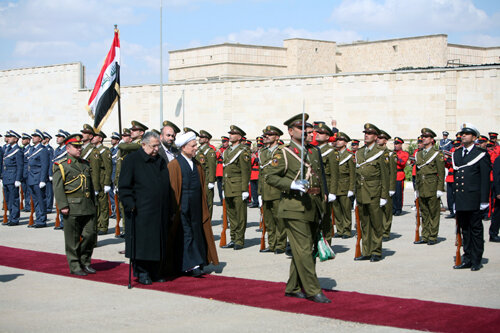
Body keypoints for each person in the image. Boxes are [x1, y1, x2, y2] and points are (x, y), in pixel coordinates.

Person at [265, 113, 330, 303]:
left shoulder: (312, 151)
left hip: (312, 204)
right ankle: (312, 289)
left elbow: (320, 177)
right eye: (300, 129)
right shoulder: (284, 153)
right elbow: (269, 176)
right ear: (290, 131)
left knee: (305, 249)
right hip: (293, 207)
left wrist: (324, 198)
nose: (305, 132)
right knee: (303, 249)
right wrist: (291, 185)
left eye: (306, 129)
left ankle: (293, 287)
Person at [119, 131, 170, 285]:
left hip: (158, 210)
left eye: (157, 146)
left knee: (156, 244)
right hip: (140, 211)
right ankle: (142, 272)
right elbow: (124, 186)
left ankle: (155, 271)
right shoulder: (132, 160)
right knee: (142, 244)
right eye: (153, 146)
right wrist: (130, 204)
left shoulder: (160, 160)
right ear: (143, 144)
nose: (156, 149)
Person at [166, 132, 219, 277]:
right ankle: (191, 265)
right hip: (181, 206)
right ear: (183, 147)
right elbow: (172, 189)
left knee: (196, 232)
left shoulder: (197, 164)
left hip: (196, 206)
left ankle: (199, 261)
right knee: (186, 233)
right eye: (193, 145)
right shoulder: (174, 165)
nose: (196, 148)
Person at [52, 134, 97, 276]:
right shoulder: (62, 165)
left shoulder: (85, 164)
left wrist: (94, 204)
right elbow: (58, 188)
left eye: (80, 146)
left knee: (90, 235)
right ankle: (75, 265)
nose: (79, 149)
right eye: (76, 147)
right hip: (72, 206)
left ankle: (85, 261)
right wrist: (62, 205)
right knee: (72, 239)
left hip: (87, 206)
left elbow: (90, 185)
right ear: (68, 148)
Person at [453, 124, 491, 271]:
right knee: (465, 230)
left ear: (474, 137)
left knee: (475, 230)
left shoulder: (481, 153)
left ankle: (476, 259)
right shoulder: (457, 154)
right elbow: (457, 177)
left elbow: (485, 179)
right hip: (461, 199)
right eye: (462, 134)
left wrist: (484, 200)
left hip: (474, 198)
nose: (463, 136)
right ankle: (467, 258)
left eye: (467, 134)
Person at [354, 123, 389, 262]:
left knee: (376, 223)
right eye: (365, 133)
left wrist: (384, 195)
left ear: (375, 136)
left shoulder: (381, 152)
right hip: (362, 191)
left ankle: (376, 251)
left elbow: (385, 176)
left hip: (374, 191)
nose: (366, 135)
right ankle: (366, 251)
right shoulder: (360, 152)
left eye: (369, 134)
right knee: (364, 223)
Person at [221, 125, 251, 250]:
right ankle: (233, 238)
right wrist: (223, 187)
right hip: (228, 187)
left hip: (238, 187)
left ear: (239, 137)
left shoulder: (243, 151)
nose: (230, 135)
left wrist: (245, 189)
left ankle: (239, 240)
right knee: (231, 215)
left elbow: (245, 171)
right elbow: (225, 171)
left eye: (233, 134)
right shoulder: (227, 151)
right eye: (230, 133)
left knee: (240, 215)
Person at [258, 125, 287, 254]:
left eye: (269, 135)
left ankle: (281, 244)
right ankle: (272, 244)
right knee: (268, 220)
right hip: (265, 190)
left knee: (279, 219)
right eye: (265, 135)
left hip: (277, 190)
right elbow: (261, 173)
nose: (266, 137)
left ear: (277, 137)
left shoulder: (282, 151)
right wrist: (259, 192)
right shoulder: (263, 152)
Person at [414, 128, 445, 246]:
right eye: (423, 137)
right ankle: (425, 235)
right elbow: (417, 172)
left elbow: (441, 173)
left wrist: (439, 189)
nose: (424, 139)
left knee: (434, 212)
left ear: (432, 140)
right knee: (424, 212)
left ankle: (433, 235)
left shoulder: (437, 154)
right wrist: (416, 188)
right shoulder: (419, 154)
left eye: (426, 137)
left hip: (432, 186)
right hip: (421, 186)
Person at [314, 122, 338, 244]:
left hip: (326, 188)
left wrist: (332, 192)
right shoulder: (313, 150)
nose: (317, 134)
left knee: (325, 218)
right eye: (316, 132)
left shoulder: (331, 152)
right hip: (314, 188)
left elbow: (334, 174)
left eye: (321, 133)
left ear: (328, 137)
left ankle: (327, 243)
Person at [332, 132, 355, 238]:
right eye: (337, 140)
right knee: (336, 209)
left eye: (340, 140)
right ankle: (340, 229)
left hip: (345, 186)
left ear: (345, 143)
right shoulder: (334, 155)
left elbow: (352, 174)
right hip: (335, 186)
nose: (337, 142)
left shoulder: (349, 156)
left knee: (346, 209)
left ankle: (347, 230)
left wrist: (351, 188)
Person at [377, 130, 397, 241]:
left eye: (380, 138)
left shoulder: (390, 154)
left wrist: (392, 188)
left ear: (385, 140)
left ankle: (385, 232)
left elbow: (392, 172)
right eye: (377, 138)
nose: (378, 139)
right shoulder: (375, 153)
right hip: (376, 185)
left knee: (386, 210)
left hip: (387, 185)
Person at [27, 129, 49, 228]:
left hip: (38, 178)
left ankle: (42, 220)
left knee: (41, 200)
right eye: (33, 136)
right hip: (31, 178)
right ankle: (38, 218)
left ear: (40, 139)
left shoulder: (43, 150)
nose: (33, 138)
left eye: (35, 136)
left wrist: (43, 180)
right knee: (35, 200)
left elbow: (45, 165)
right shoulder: (32, 149)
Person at [92, 131, 112, 235]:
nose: (93, 138)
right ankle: (96, 224)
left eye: (95, 136)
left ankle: (103, 226)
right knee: (95, 205)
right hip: (95, 180)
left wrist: (107, 183)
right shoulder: (92, 150)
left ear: (100, 138)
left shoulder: (105, 151)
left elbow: (108, 168)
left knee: (103, 205)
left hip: (102, 181)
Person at [2, 131, 23, 226]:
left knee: (14, 199)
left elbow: (20, 166)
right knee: (7, 199)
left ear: (16, 139)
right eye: (8, 137)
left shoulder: (18, 151)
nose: (8, 138)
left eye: (11, 137)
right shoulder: (7, 149)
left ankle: (14, 219)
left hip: (13, 177)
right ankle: (11, 217)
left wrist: (18, 179)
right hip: (6, 177)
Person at [195, 130, 216, 217]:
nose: (200, 139)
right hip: (199, 178)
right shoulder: (198, 149)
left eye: (202, 137)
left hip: (207, 179)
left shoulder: (210, 151)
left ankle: (208, 219)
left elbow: (211, 167)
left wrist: (211, 181)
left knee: (208, 201)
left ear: (207, 140)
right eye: (200, 137)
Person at [53, 130, 69, 229]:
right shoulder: (57, 150)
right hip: (57, 177)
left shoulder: (67, 150)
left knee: (64, 200)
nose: (57, 138)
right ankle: (61, 222)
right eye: (57, 136)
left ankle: (65, 223)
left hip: (64, 177)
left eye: (60, 136)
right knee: (59, 199)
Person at [393, 137, 409, 216]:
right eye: (395, 144)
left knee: (398, 194)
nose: (395, 146)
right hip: (392, 175)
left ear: (401, 145)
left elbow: (402, 163)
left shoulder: (404, 154)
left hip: (399, 175)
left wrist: (396, 157)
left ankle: (398, 209)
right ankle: (393, 208)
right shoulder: (392, 153)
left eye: (397, 144)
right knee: (392, 193)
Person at [43, 131, 55, 214]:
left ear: (47, 139)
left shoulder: (49, 149)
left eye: (44, 138)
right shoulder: (42, 148)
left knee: (49, 191)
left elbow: (51, 162)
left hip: (48, 173)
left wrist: (50, 173)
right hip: (43, 173)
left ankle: (49, 206)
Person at [215, 136, 229, 203]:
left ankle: (227, 199)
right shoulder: (220, 149)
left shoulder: (229, 149)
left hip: (226, 170)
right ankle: (221, 199)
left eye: (225, 142)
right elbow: (216, 157)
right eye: (223, 142)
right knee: (219, 186)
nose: (224, 143)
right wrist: (219, 152)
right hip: (219, 171)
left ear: (228, 142)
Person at [490, 155, 500, 242]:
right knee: (497, 214)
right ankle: (493, 234)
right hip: (499, 191)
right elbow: (496, 176)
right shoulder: (498, 159)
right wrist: (498, 192)